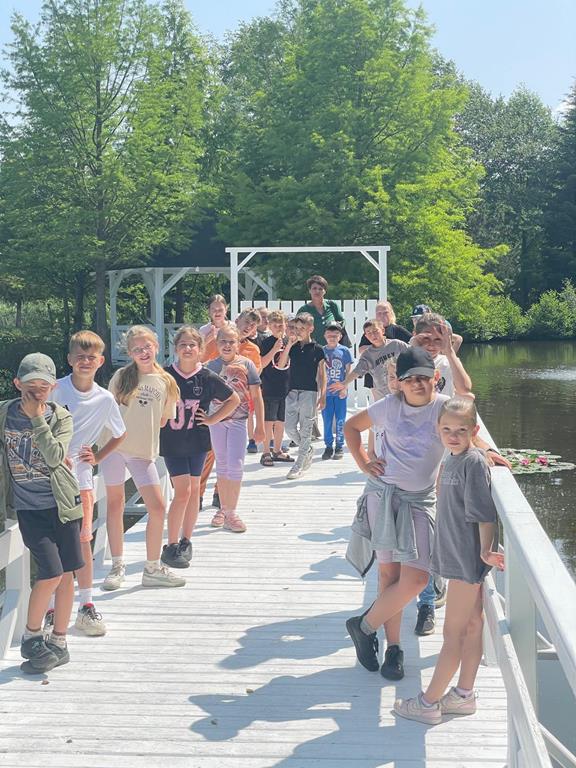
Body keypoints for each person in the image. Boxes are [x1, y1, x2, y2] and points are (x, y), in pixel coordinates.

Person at [394, 398, 504, 724]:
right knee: (471, 625)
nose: (453, 436)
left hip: (465, 559)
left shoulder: (473, 463)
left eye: (461, 431)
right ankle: (464, 695)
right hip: (456, 553)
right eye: (446, 430)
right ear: (438, 429)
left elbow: (485, 515)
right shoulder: (454, 457)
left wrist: (485, 551)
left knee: (452, 633)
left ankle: (428, 703)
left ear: (474, 431)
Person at [344, 347, 449, 681]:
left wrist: (488, 454)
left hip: (420, 500)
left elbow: (469, 433)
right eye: (409, 379)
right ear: (400, 383)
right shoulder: (389, 406)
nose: (417, 384)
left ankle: (363, 626)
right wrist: (364, 463)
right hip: (383, 496)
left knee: (417, 578)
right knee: (389, 575)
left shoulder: (444, 407)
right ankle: (393, 649)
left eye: (423, 377)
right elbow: (351, 427)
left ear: (435, 377)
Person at [0, 353, 84, 673]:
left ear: (53, 388)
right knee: (49, 572)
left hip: (63, 506)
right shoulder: (5, 414)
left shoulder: (60, 418)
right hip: (29, 509)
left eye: (43, 388)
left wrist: (37, 420)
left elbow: (54, 456)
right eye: (30, 388)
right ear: (17, 384)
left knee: (66, 575)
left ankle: (59, 641)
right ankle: (32, 637)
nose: (36, 395)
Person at [49, 331, 126, 636]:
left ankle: (86, 605)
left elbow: (120, 433)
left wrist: (98, 456)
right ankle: (52, 608)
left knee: (83, 540)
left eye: (91, 357)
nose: (85, 362)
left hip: (81, 478)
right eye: (79, 356)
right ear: (69, 359)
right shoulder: (56, 389)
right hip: (51, 476)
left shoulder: (105, 398)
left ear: (100, 361)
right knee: (53, 542)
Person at [99, 325, 184, 590]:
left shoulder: (167, 382)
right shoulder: (121, 377)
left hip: (143, 453)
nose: (143, 352)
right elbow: (108, 410)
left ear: (156, 347)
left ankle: (152, 568)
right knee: (115, 504)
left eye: (147, 346)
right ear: (130, 353)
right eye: (136, 349)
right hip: (113, 448)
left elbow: (163, 420)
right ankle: (117, 566)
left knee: (157, 507)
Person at [159, 326, 240, 568]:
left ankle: (186, 540)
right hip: (172, 441)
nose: (187, 348)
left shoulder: (206, 376)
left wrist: (213, 419)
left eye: (192, 345)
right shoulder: (165, 376)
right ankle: (171, 544)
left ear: (201, 349)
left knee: (194, 491)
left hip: (197, 441)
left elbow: (233, 399)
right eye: (183, 344)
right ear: (176, 348)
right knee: (182, 491)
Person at [206, 326, 265, 532]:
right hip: (217, 421)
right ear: (217, 343)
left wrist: (259, 425)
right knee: (222, 464)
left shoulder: (247, 364)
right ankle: (224, 509)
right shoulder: (211, 366)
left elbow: (257, 396)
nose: (227, 345)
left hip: (239, 420)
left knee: (236, 464)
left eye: (232, 341)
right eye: (223, 341)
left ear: (238, 343)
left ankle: (231, 511)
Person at [283, 313, 326, 480]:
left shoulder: (318, 349)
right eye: (296, 328)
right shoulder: (292, 347)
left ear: (311, 328)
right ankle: (307, 449)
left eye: (302, 328)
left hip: (309, 391)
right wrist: (289, 344)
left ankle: (298, 465)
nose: (298, 331)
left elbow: (322, 374)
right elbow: (281, 364)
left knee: (306, 429)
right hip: (292, 391)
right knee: (289, 428)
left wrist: (323, 395)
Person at [199, 294, 231, 510]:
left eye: (220, 308)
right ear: (209, 311)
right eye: (214, 309)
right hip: (206, 391)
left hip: (228, 390)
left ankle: (220, 492)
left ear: (226, 309)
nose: (217, 312)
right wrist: (207, 341)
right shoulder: (202, 331)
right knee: (207, 449)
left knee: (225, 449)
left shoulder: (231, 330)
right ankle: (198, 493)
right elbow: (193, 360)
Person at [329, 320, 409, 401]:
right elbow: (357, 371)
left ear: (383, 331)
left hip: (403, 393)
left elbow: (414, 354)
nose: (373, 335)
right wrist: (344, 383)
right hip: (383, 397)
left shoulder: (397, 344)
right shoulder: (367, 355)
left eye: (375, 331)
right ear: (366, 336)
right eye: (369, 333)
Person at [259, 310, 294, 466]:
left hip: (284, 386)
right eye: (275, 325)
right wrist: (274, 349)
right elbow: (263, 363)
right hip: (270, 386)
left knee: (280, 421)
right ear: (270, 326)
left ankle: (277, 450)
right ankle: (266, 451)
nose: (279, 328)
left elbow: (286, 363)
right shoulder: (266, 342)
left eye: (281, 325)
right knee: (269, 421)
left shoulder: (288, 341)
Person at [411, 313, 472, 397]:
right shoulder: (405, 360)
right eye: (426, 338)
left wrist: (449, 351)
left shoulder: (449, 362)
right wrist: (416, 350)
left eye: (437, 339)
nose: (431, 344)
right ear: (415, 336)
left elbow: (465, 389)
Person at [358, 301, 411, 396]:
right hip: (375, 375)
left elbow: (413, 344)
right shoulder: (370, 330)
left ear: (391, 313)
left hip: (396, 376)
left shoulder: (397, 329)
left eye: (385, 312)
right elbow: (361, 349)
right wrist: (379, 346)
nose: (382, 315)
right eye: (379, 313)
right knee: (380, 403)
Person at [321, 322, 352, 460]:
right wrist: (321, 392)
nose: (332, 337)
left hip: (340, 392)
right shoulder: (322, 351)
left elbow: (348, 370)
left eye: (335, 335)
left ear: (340, 336)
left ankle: (339, 445)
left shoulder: (344, 351)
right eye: (329, 335)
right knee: (327, 420)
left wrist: (345, 387)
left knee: (340, 419)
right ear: (325, 335)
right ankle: (328, 446)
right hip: (326, 393)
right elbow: (319, 373)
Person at [236, 309, 263, 454]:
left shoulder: (253, 349)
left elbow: (255, 375)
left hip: (240, 403)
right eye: (246, 322)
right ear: (237, 320)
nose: (248, 327)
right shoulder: (218, 341)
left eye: (252, 325)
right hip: (216, 402)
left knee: (235, 452)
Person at [297, 275, 347, 345]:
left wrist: (334, 327)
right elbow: (298, 329)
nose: (317, 291)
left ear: (325, 291)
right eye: (314, 288)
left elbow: (342, 322)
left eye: (320, 289)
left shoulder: (332, 305)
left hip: (332, 348)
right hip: (312, 348)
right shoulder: (304, 310)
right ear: (309, 290)